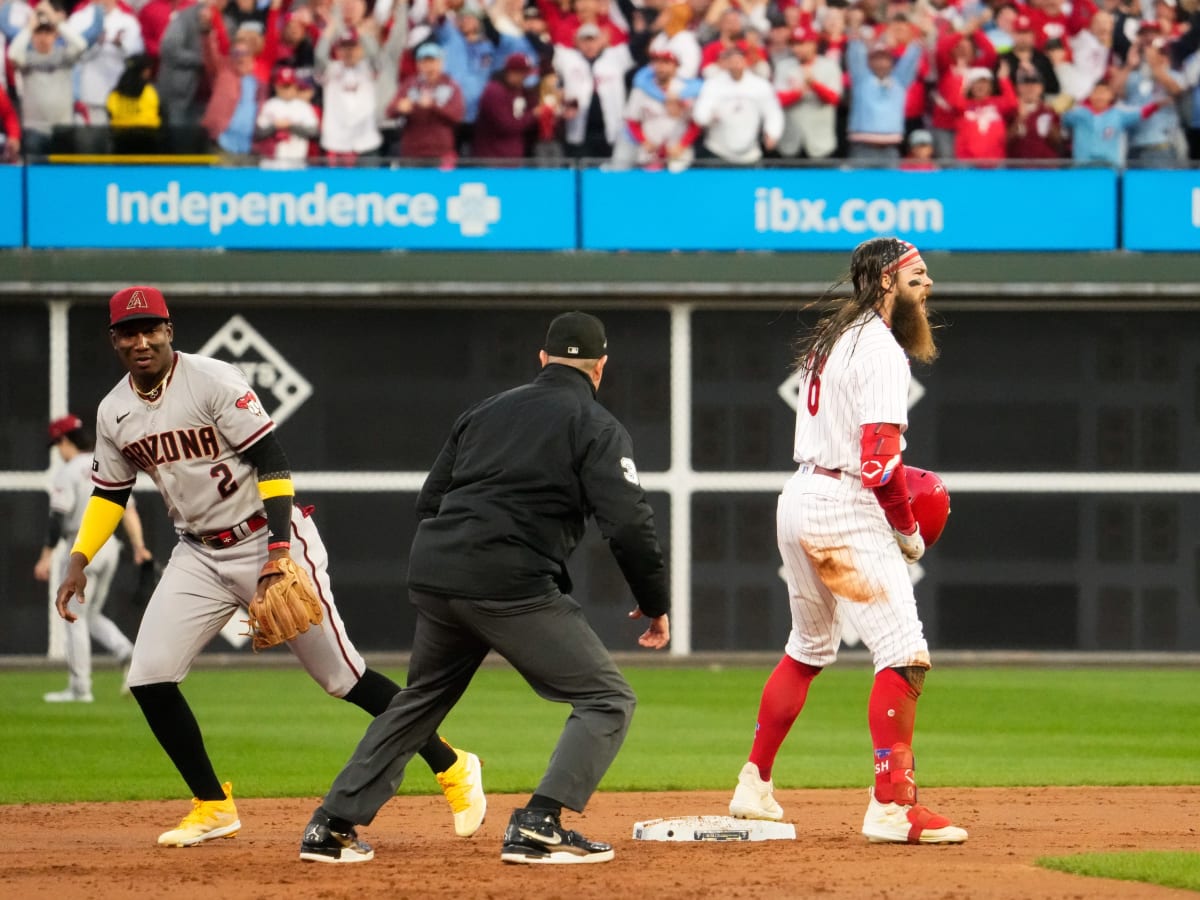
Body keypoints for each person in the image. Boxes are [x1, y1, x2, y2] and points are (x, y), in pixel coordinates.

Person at [54, 286, 484, 849]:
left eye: (151, 329)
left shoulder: (212, 380)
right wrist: (78, 558)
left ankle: (452, 764)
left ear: (169, 330)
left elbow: (272, 460)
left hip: (266, 537)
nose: (142, 341)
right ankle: (212, 805)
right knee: (148, 677)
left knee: (344, 678)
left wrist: (279, 553)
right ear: (115, 340)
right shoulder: (115, 411)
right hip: (199, 553)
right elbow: (111, 493)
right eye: (129, 332)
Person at [297, 311, 670, 866]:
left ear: (542, 359)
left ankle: (330, 827)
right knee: (606, 698)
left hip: (437, 572)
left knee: (419, 701)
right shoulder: (596, 425)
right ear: (601, 368)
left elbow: (431, 499)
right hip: (510, 583)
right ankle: (540, 823)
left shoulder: (486, 411)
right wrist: (655, 602)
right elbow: (629, 524)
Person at [727, 237, 968, 846]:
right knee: (905, 653)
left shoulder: (831, 340)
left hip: (800, 496)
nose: (928, 285)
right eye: (917, 277)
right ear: (886, 281)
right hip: (845, 504)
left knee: (808, 648)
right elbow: (883, 466)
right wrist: (907, 531)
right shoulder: (881, 349)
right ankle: (891, 806)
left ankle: (753, 785)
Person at [36, 414, 148, 703]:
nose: (58, 451)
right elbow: (128, 510)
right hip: (109, 545)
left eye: (57, 444)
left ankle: (80, 689)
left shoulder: (69, 470)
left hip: (82, 548)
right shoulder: (105, 465)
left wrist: (46, 557)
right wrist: (139, 546)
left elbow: (57, 519)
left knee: (73, 617)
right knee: (91, 614)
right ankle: (126, 652)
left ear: (64, 441)